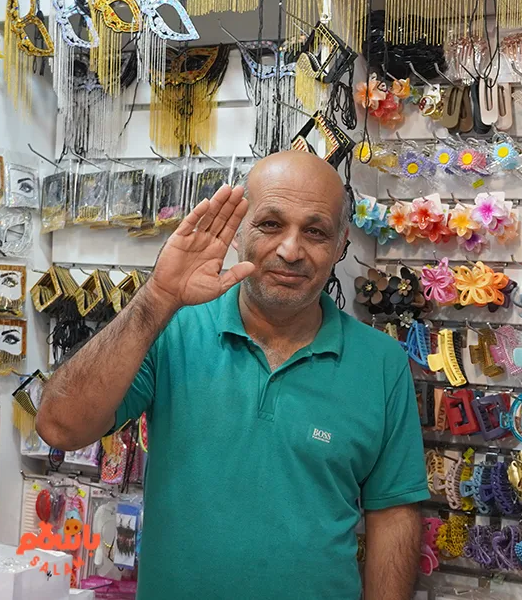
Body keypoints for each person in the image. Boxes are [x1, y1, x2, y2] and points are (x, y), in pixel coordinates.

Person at [36, 151, 428, 599]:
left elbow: (394, 512)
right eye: (271, 224)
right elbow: (60, 426)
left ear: (341, 245)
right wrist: (157, 297)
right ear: (239, 230)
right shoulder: (173, 328)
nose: (290, 250)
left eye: (315, 231)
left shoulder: (381, 362)